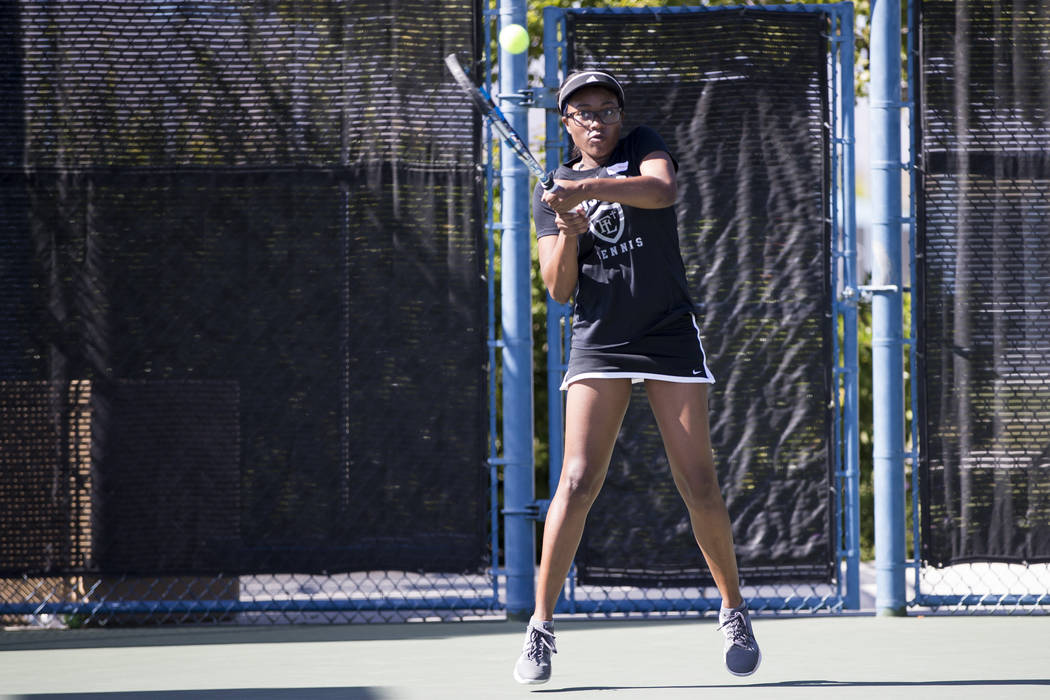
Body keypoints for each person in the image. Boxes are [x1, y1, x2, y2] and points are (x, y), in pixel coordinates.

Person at [512, 70, 761, 685]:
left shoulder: (643, 147)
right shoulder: (552, 193)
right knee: (575, 478)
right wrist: (568, 231)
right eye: (583, 112)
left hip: (667, 332)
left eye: (606, 109)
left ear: (620, 117)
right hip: (600, 339)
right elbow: (559, 286)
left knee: (699, 480)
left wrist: (591, 189)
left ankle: (734, 610)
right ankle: (540, 628)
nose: (596, 120)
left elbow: (661, 191)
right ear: (566, 123)